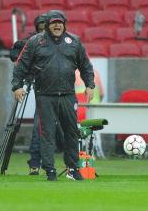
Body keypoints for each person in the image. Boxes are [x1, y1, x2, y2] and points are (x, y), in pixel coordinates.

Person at [12, 10, 95, 181]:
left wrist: (90, 85)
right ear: (47, 25)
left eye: (60, 22)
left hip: (67, 95)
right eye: (53, 23)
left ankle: (73, 169)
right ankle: (50, 170)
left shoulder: (74, 41)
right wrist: (16, 86)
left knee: (71, 133)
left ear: (64, 24)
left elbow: (85, 65)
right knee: (47, 134)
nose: (57, 25)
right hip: (45, 96)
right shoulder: (36, 42)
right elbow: (22, 64)